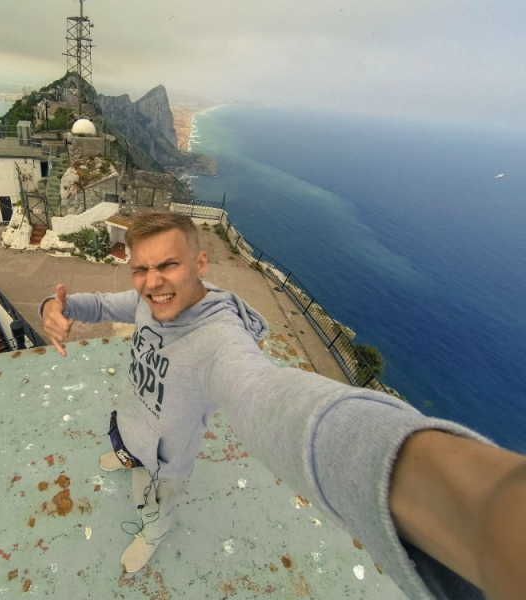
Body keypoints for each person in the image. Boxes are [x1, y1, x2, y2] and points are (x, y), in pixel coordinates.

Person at [40, 211, 526, 599]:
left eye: (167, 264)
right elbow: (103, 305)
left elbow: (262, 394)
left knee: (157, 500)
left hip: (167, 457)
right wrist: (56, 307)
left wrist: (460, 495)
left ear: (201, 264)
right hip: (130, 423)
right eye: (141, 269)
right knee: (125, 447)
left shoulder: (219, 339)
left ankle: (155, 531)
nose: (151, 282)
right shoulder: (148, 300)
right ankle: (125, 453)